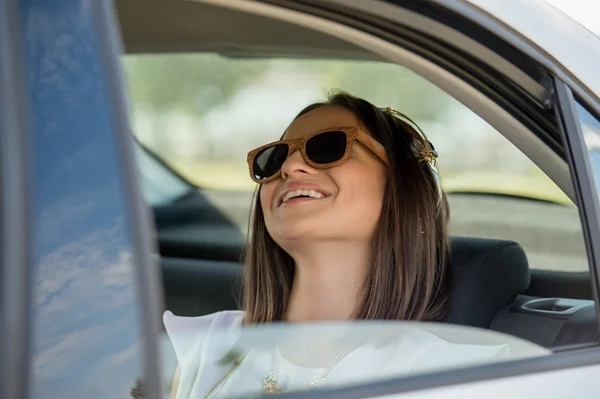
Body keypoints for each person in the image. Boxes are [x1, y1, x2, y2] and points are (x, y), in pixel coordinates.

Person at [165, 92, 509, 399]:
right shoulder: (206, 345)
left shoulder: (455, 376)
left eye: (327, 147)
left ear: (402, 187)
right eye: (273, 158)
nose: (288, 166)